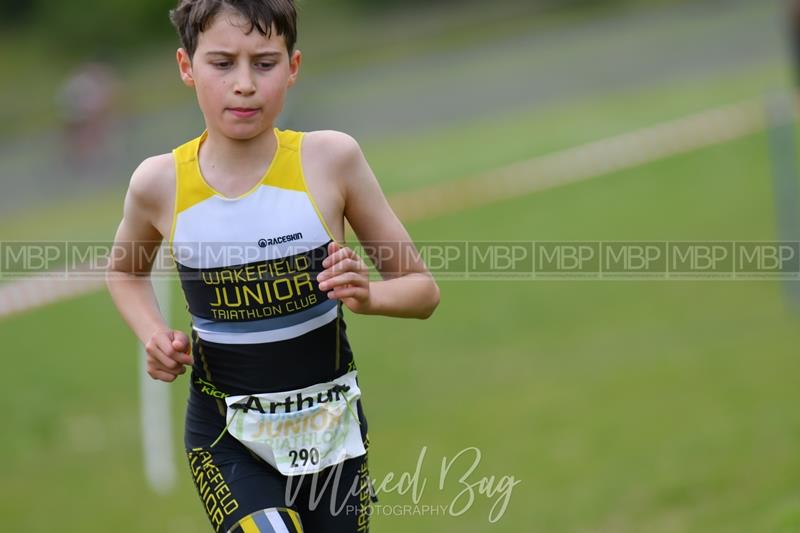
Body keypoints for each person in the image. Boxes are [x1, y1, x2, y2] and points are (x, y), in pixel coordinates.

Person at [105, 1, 441, 532]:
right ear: (186, 66)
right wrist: (153, 334)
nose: (244, 84)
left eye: (264, 63)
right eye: (222, 63)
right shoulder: (159, 183)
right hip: (227, 439)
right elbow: (124, 271)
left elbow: (422, 290)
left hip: (332, 439)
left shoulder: (332, 160)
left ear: (293, 67)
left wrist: (369, 296)